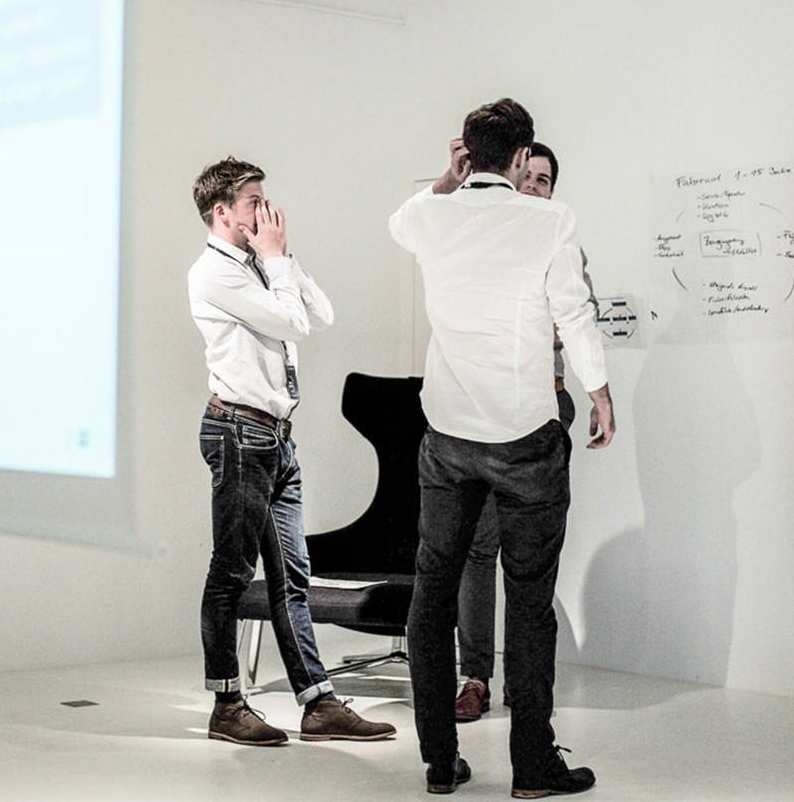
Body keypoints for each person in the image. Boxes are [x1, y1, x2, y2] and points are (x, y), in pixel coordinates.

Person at [390, 102, 615, 797]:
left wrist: (445, 179)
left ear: (468, 152)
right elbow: (574, 312)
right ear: (522, 159)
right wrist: (600, 391)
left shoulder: (434, 215)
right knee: (529, 601)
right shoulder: (550, 219)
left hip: (449, 438)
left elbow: (400, 222)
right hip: (524, 438)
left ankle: (439, 763)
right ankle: (532, 768)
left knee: (433, 597)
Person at [188, 157, 395, 746]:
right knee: (231, 572)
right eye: (253, 201)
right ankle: (227, 704)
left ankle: (318, 703)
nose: (266, 210)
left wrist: (283, 258)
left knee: (293, 576)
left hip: (275, 437)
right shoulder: (213, 273)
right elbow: (292, 324)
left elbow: (320, 314)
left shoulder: (261, 264)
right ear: (222, 211)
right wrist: (277, 262)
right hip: (239, 433)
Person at [452, 141, 592, 724]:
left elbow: (573, 321)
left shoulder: (560, 240)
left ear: (553, 191)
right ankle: (475, 677)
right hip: (481, 410)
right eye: (527, 176)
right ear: (510, 176)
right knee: (478, 548)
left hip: (543, 406)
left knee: (529, 555)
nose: (533, 186)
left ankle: (526, 684)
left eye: (544, 180)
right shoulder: (484, 238)